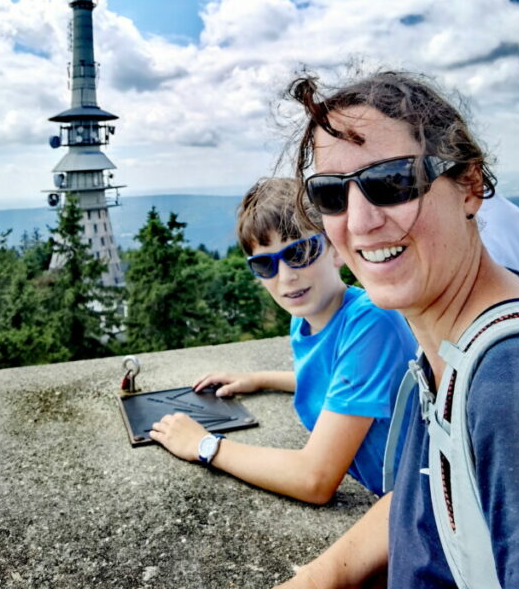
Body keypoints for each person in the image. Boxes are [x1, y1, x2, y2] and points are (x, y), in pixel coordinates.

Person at [272, 69, 519, 589]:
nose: (358, 222)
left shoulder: (516, 389)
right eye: (330, 195)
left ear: (469, 185)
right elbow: (433, 495)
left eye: (393, 182)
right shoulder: (453, 348)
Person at [149, 177, 415, 503]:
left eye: (300, 252)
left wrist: (205, 445)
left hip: (420, 508)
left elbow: (315, 479)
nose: (286, 277)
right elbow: (338, 380)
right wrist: (259, 379)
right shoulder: (305, 318)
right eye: (265, 264)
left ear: (335, 249)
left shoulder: (371, 322)